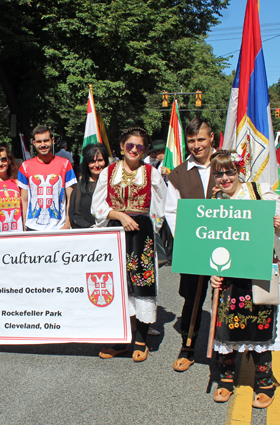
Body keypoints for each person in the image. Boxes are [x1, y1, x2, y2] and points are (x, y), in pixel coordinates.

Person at [209, 150, 280, 408]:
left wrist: (279, 222)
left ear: (239, 171)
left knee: (261, 325)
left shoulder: (259, 192)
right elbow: (208, 241)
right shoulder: (214, 202)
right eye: (219, 173)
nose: (225, 178)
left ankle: (265, 381)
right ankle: (225, 380)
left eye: (230, 171)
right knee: (226, 326)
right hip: (229, 274)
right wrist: (211, 270)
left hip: (257, 271)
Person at [91, 128, 167, 362]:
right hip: (115, 232)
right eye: (130, 146)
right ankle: (124, 337)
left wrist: (151, 227)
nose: (134, 150)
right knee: (120, 282)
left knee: (142, 282)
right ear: (122, 146)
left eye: (139, 147)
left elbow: (162, 204)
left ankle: (141, 337)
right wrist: (120, 215)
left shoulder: (151, 173)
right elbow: (97, 206)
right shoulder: (108, 172)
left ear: (145, 150)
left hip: (141, 233)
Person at [164, 118, 216, 372]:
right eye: (192, 141)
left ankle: (226, 349)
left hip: (227, 246)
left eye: (201, 139)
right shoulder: (179, 174)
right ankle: (188, 346)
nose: (197, 145)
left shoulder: (229, 166)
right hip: (193, 246)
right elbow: (171, 212)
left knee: (228, 297)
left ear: (212, 138)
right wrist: (185, 240)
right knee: (193, 298)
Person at [18, 125, 77, 231]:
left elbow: (71, 197)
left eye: (46, 141)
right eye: (39, 142)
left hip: (58, 227)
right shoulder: (25, 167)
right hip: (33, 227)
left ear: (52, 140)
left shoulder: (65, 164)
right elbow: (24, 200)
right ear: (34, 143)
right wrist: (24, 226)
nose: (43, 145)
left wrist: (67, 224)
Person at [69, 143, 109, 228]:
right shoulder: (81, 186)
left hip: (109, 233)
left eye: (100, 160)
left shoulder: (113, 184)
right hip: (88, 234)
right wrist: (91, 227)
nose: (97, 165)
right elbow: (75, 215)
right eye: (92, 161)